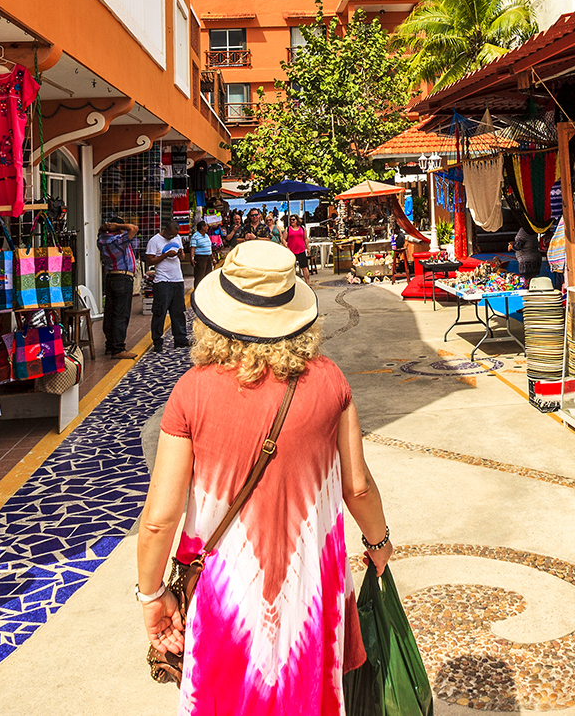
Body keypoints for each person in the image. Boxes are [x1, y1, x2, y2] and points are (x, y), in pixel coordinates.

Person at [135, 241, 389, 709]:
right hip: (312, 598)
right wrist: (379, 542)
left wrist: (151, 595)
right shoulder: (330, 380)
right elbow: (358, 486)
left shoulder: (192, 392)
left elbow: (158, 520)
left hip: (226, 604)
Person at [98, 215, 142, 360]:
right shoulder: (117, 241)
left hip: (111, 277)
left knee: (110, 313)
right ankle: (118, 348)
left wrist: (108, 227)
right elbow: (134, 228)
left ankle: (110, 345)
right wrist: (117, 226)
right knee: (121, 314)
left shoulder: (102, 240)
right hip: (122, 279)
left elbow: (101, 231)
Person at [146, 221, 191, 350]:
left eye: (175, 235)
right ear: (165, 230)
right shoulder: (154, 241)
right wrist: (165, 255)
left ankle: (180, 338)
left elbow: (182, 258)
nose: (172, 237)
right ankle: (157, 341)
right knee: (160, 312)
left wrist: (181, 254)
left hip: (177, 279)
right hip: (162, 281)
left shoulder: (177, 238)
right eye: (171, 235)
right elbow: (149, 261)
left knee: (178, 311)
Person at [190, 218, 215, 287]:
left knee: (208, 275)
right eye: (206, 226)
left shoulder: (206, 236)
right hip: (200, 258)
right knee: (199, 276)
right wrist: (192, 258)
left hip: (208, 257)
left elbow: (209, 248)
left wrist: (212, 258)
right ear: (202, 227)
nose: (207, 228)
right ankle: (197, 289)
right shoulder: (195, 236)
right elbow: (193, 247)